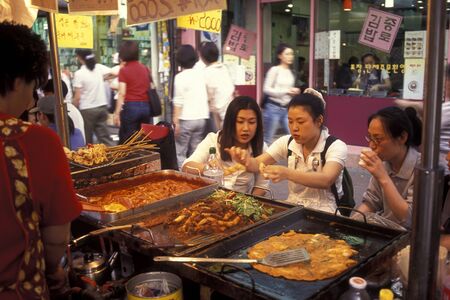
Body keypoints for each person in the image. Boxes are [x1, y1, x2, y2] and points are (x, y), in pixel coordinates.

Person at [0, 21, 81, 299]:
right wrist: (54, 271)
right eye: (33, 88)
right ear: (19, 79)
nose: (32, 102)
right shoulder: (35, 141)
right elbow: (56, 239)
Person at [227, 90, 348, 212]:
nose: (294, 128)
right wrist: (245, 161)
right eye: (290, 121)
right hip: (293, 208)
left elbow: (326, 180)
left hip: (326, 212)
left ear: (319, 120)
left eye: (300, 122)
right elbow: (257, 164)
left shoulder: (336, 146)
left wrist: (286, 173)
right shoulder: (287, 142)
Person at [183, 96, 268, 196]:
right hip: (210, 199)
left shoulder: (261, 148)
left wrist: (248, 205)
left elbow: (262, 186)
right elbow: (186, 166)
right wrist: (207, 169)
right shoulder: (213, 140)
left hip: (241, 201)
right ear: (230, 122)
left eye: (252, 122)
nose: (246, 128)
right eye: (240, 121)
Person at [354, 106, 422, 229]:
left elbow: (409, 219)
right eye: (370, 137)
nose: (371, 145)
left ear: (402, 137)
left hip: (412, 238)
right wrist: (351, 223)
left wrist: (383, 177)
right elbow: (371, 202)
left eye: (378, 139)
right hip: (386, 232)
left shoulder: (420, 168)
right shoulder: (385, 162)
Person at [173, 44, 209, 167]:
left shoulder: (180, 77)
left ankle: (183, 178)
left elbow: (178, 101)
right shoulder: (201, 74)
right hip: (201, 118)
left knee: (180, 151)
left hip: (186, 120)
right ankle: (196, 177)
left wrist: (175, 121)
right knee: (196, 152)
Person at [113, 41, 153, 144]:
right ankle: (143, 158)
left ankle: (131, 159)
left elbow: (122, 93)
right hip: (146, 107)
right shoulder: (145, 69)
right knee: (143, 138)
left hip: (131, 107)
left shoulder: (124, 70)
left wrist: (117, 113)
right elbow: (150, 86)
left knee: (129, 140)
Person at [73, 49, 113, 146]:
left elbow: (77, 97)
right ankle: (113, 157)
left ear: (79, 58)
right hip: (102, 106)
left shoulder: (79, 73)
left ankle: (91, 159)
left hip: (87, 110)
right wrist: (102, 79)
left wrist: (73, 108)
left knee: (88, 139)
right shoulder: (99, 68)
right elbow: (113, 73)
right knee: (105, 138)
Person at [263, 43, 301, 144]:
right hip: (273, 108)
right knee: (267, 139)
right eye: (287, 54)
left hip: (287, 109)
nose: (290, 56)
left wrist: (294, 91)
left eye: (292, 54)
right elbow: (266, 89)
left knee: (293, 136)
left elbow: (289, 90)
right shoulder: (274, 70)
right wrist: (287, 91)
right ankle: (259, 159)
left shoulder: (291, 72)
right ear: (280, 56)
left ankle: (293, 158)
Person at [198, 41, 235, 132]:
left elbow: (209, 98)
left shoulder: (205, 73)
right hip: (231, 112)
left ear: (203, 57)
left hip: (217, 116)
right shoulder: (224, 68)